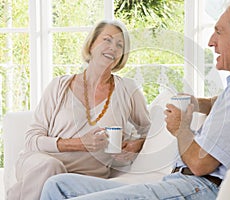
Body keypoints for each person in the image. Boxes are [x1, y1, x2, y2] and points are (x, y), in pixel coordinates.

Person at [40, 0, 230, 199]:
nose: (212, 42)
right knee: (58, 185)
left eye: (219, 32)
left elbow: (200, 164)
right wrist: (199, 103)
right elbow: (227, 105)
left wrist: (180, 128)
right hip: (185, 182)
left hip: (200, 187)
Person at [7, 19, 151, 200]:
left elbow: (149, 130)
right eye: (107, 40)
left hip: (87, 176)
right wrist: (80, 143)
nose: (113, 48)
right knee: (51, 167)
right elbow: (32, 139)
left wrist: (135, 145)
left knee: (58, 179)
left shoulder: (128, 90)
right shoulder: (59, 86)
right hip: (41, 162)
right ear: (91, 45)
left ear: (122, 56)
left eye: (119, 45)